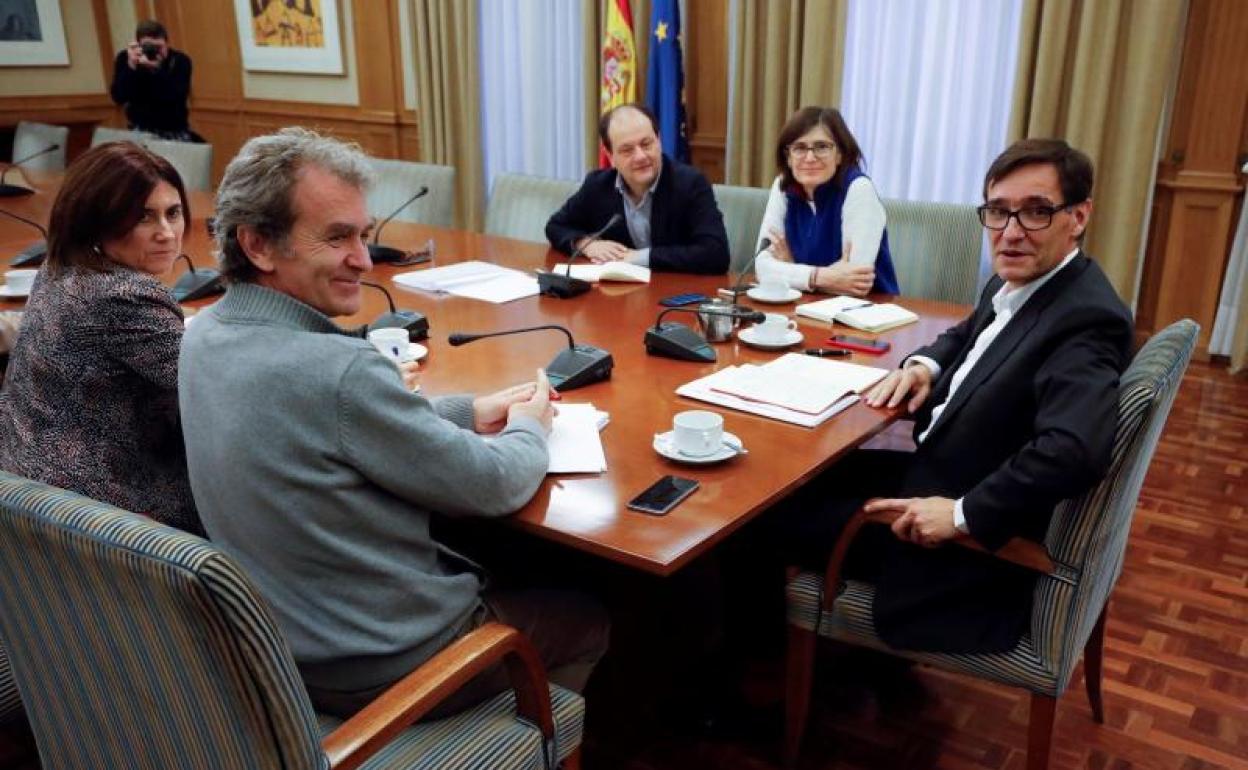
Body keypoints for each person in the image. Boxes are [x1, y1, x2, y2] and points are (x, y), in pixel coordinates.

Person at [180, 127, 608, 717]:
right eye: (337, 238)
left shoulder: (201, 335)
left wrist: (466, 410)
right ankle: (524, 744)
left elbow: (328, 428)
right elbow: (492, 484)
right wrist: (530, 424)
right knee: (591, 615)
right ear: (257, 245)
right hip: (389, 665)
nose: (362, 258)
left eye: (363, 234)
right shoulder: (340, 370)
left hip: (277, 650)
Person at [770, 138, 1133, 653]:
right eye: (998, 212)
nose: (1009, 232)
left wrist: (962, 514)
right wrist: (925, 364)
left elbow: (1074, 449)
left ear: (1078, 216)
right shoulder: (1032, 282)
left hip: (960, 540)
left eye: (1035, 212)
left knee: (759, 524)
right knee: (792, 479)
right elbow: (968, 333)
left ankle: (755, 684)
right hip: (940, 469)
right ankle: (835, 662)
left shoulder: (1084, 319)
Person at [0, 142, 201, 535]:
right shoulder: (125, 296)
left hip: (29, 484)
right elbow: (214, 389)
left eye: (173, 213)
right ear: (97, 219)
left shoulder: (61, 267)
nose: (166, 233)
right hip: (104, 513)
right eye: (144, 217)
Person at [545, 103, 730, 274]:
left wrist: (637, 257)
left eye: (646, 144)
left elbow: (716, 253)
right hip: (619, 297)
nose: (640, 156)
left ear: (659, 141)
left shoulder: (690, 183)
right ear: (610, 156)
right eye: (627, 150)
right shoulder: (598, 186)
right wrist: (585, 244)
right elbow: (555, 226)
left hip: (675, 295)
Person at [754, 106, 899, 297]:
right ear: (788, 157)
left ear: (839, 154)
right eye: (799, 148)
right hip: (804, 308)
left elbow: (856, 282)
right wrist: (819, 277)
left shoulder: (858, 189)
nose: (810, 157)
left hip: (865, 313)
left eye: (822, 147)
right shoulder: (783, 186)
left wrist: (790, 268)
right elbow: (762, 268)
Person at [109, 19, 195, 141]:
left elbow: (175, 95)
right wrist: (131, 67)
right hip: (139, 130)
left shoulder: (180, 61)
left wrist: (156, 69)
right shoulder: (126, 58)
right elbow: (118, 97)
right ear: (139, 45)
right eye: (148, 47)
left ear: (167, 43)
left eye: (159, 47)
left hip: (174, 131)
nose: (154, 51)